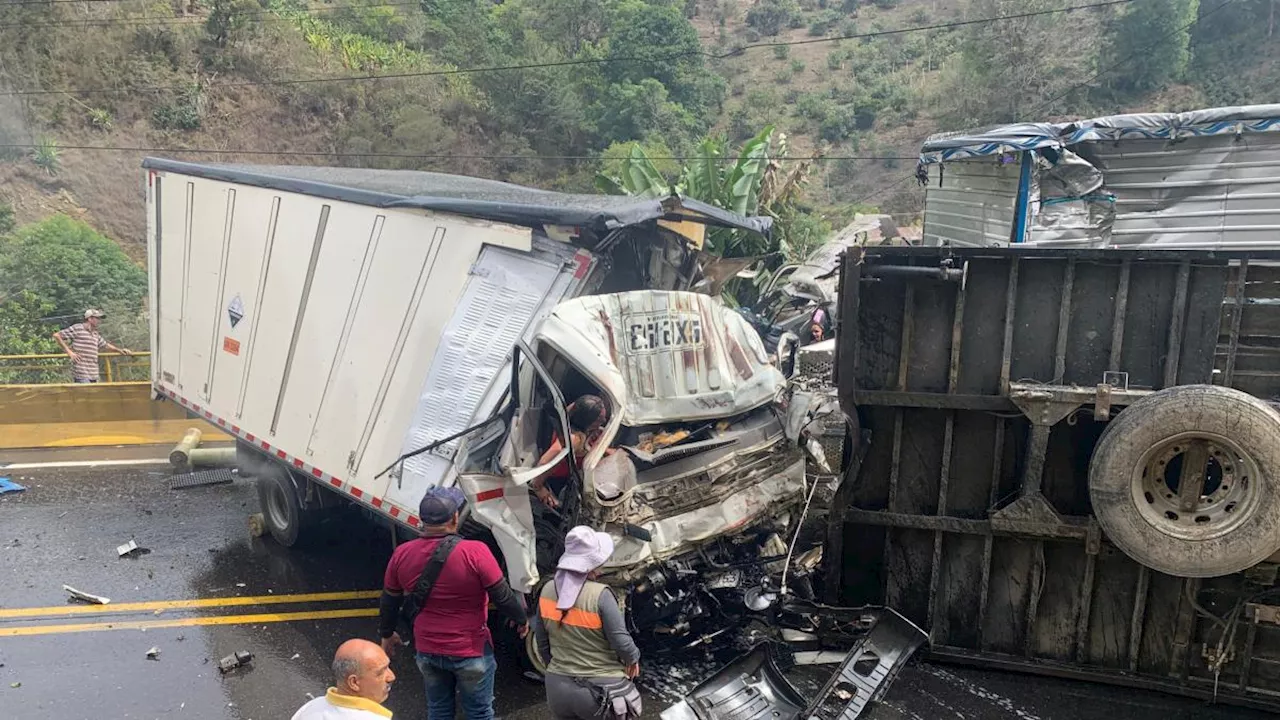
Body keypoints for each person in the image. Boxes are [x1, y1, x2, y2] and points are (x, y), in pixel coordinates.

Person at [378, 487, 529, 720]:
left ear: (423, 519)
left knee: (438, 711)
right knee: (479, 713)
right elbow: (502, 595)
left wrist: (387, 634)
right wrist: (521, 619)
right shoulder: (475, 552)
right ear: (456, 517)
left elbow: (389, 600)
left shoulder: (401, 554)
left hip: (428, 650)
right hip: (471, 651)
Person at [534, 526, 642, 720]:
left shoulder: (547, 590)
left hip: (557, 689)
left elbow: (542, 644)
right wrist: (633, 658)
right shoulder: (600, 595)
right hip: (600, 693)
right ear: (593, 564)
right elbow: (621, 642)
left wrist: (561, 670)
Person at [532, 395, 609, 509]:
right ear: (588, 420)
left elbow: (578, 404)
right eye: (599, 419)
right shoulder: (575, 439)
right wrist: (538, 487)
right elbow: (546, 461)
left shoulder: (570, 413)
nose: (604, 420)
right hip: (559, 479)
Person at [291, 639, 396, 720]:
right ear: (354, 682)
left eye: (388, 667)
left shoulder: (309, 709)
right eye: (380, 672)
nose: (391, 677)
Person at [52, 309, 131, 383]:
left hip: (93, 373)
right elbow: (57, 335)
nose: (99, 321)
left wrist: (120, 350)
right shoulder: (78, 328)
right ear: (89, 319)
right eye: (97, 318)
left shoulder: (95, 333)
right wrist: (69, 352)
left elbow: (105, 345)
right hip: (81, 373)